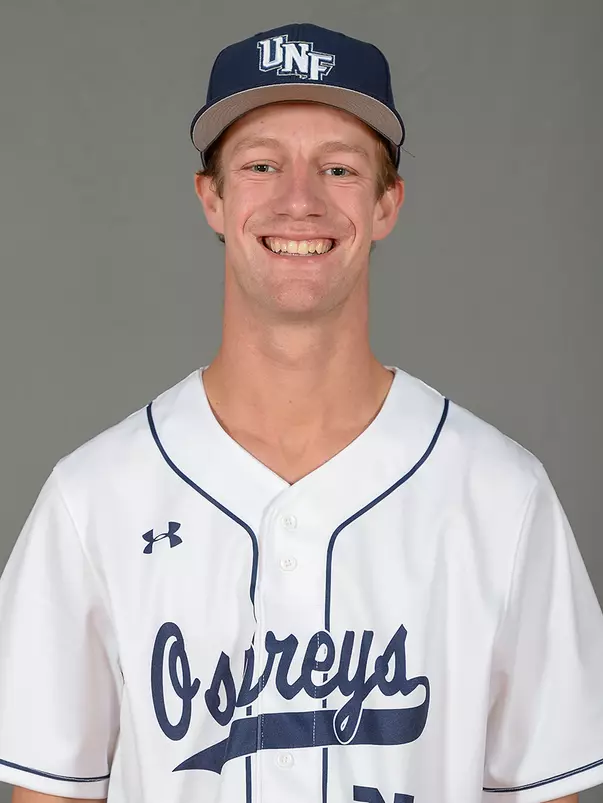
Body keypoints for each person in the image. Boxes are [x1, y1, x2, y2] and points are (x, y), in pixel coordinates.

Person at [0, 21, 602, 803]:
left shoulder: (501, 497)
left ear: (386, 204)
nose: (298, 200)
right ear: (211, 197)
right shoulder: (93, 500)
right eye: (261, 164)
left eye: (339, 168)